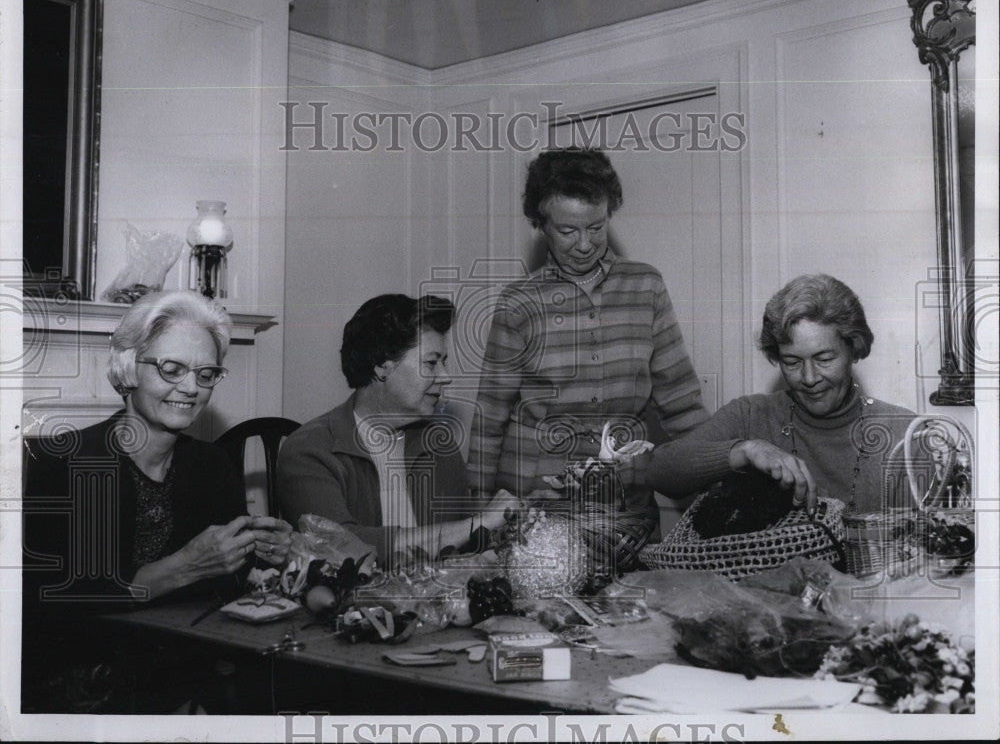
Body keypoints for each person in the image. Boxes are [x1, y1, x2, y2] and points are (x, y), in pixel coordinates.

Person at [21, 290, 291, 711]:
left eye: (206, 374)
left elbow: (226, 591)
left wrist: (265, 555)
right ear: (129, 368)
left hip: (185, 671)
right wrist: (184, 566)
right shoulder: (64, 462)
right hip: (78, 687)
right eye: (172, 368)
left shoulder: (212, 464)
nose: (190, 388)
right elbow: (51, 604)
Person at [467, 148, 708, 533]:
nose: (584, 244)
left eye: (595, 227)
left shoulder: (645, 286)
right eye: (567, 231)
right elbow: (489, 415)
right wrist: (479, 516)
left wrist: (714, 474)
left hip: (623, 501)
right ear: (541, 225)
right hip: (535, 503)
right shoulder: (519, 301)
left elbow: (681, 402)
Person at [625, 274, 917, 515]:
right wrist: (745, 450)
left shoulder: (904, 434)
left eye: (825, 358)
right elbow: (660, 471)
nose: (809, 378)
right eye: (792, 362)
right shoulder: (752, 416)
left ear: (854, 349)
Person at [277, 294, 519, 567]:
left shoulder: (439, 444)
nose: (445, 375)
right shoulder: (308, 450)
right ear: (382, 366)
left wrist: (518, 517)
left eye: (444, 361)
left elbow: (464, 537)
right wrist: (480, 523)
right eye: (431, 362)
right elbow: (339, 546)